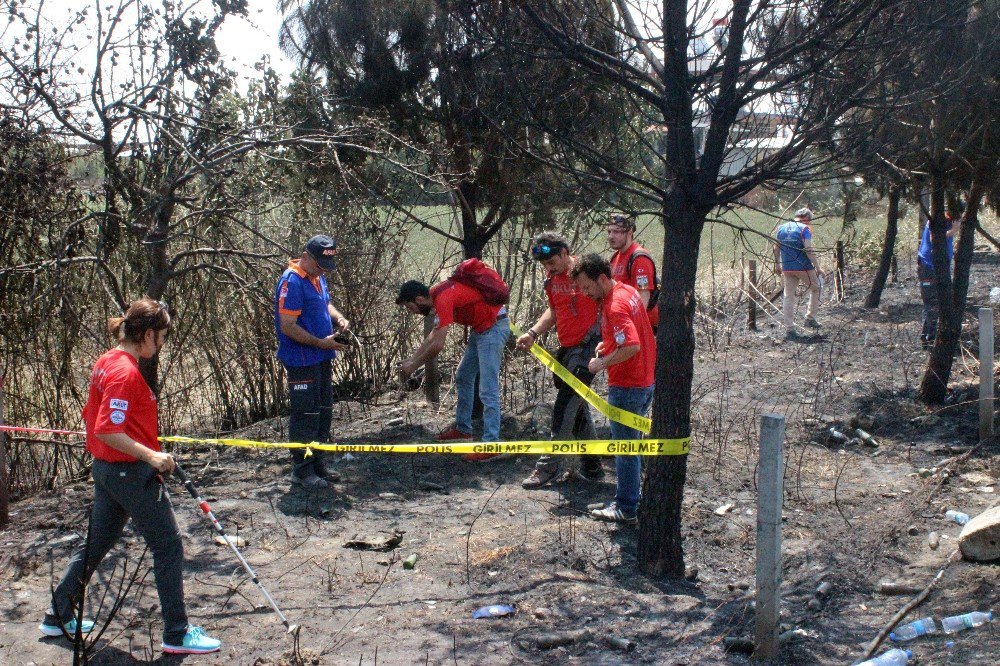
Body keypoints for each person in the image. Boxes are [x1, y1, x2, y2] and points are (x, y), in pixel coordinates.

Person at [40, 298, 222, 655]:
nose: (163, 344)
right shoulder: (124, 371)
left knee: (96, 544)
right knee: (168, 546)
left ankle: (57, 616)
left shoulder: (107, 361)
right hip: (128, 472)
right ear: (149, 334)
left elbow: (92, 416)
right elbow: (107, 427)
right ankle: (177, 634)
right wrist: (151, 455)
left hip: (108, 469)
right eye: (162, 336)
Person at [571, 254, 656, 524]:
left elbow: (632, 345)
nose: (584, 293)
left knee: (625, 449)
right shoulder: (627, 291)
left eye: (586, 287)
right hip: (644, 380)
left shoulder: (615, 304)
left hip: (629, 385)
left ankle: (627, 506)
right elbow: (629, 336)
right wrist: (607, 344)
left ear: (603, 278)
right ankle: (639, 498)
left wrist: (602, 363)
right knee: (634, 444)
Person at [396, 266, 511, 460]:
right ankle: (463, 428)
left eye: (410, 307)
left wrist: (414, 366)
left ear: (419, 300)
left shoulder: (443, 297)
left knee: (488, 389)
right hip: (481, 329)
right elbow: (433, 335)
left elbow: (438, 345)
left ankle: (492, 444)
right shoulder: (438, 295)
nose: (412, 312)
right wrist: (412, 359)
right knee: (463, 375)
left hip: (493, 330)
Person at [516, 232, 603, 488]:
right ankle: (593, 467)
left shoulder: (587, 273)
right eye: (544, 265)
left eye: (551, 262)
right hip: (567, 347)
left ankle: (548, 466)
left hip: (589, 348)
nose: (548, 268)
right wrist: (533, 333)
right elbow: (554, 311)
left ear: (565, 253)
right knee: (577, 409)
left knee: (564, 405)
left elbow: (610, 302)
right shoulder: (551, 279)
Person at [275, 235, 350, 488]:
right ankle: (303, 469)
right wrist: (319, 342)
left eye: (325, 267)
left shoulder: (317, 276)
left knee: (324, 412)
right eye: (319, 266)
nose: (322, 271)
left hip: (323, 356)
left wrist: (339, 319)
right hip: (302, 360)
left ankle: (319, 463)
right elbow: (288, 326)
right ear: (306, 256)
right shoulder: (292, 281)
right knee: (305, 415)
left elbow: (325, 304)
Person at [772, 208, 824, 338]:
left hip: (787, 268)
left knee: (788, 296)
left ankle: (789, 329)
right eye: (810, 220)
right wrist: (817, 268)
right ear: (806, 218)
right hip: (803, 266)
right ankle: (810, 318)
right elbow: (808, 248)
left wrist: (777, 264)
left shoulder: (781, 228)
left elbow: (776, 247)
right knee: (816, 287)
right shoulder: (804, 229)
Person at [607, 213, 660, 331]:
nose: (611, 236)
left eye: (616, 232)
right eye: (609, 232)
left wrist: (630, 328)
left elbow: (643, 296)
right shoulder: (615, 257)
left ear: (630, 232)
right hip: (623, 323)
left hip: (641, 327)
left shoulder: (639, 258)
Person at [916, 213, 958, 347]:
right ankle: (929, 338)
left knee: (938, 304)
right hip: (929, 267)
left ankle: (928, 337)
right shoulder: (939, 221)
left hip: (939, 268)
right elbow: (934, 238)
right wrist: (953, 231)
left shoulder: (948, 221)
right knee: (932, 304)